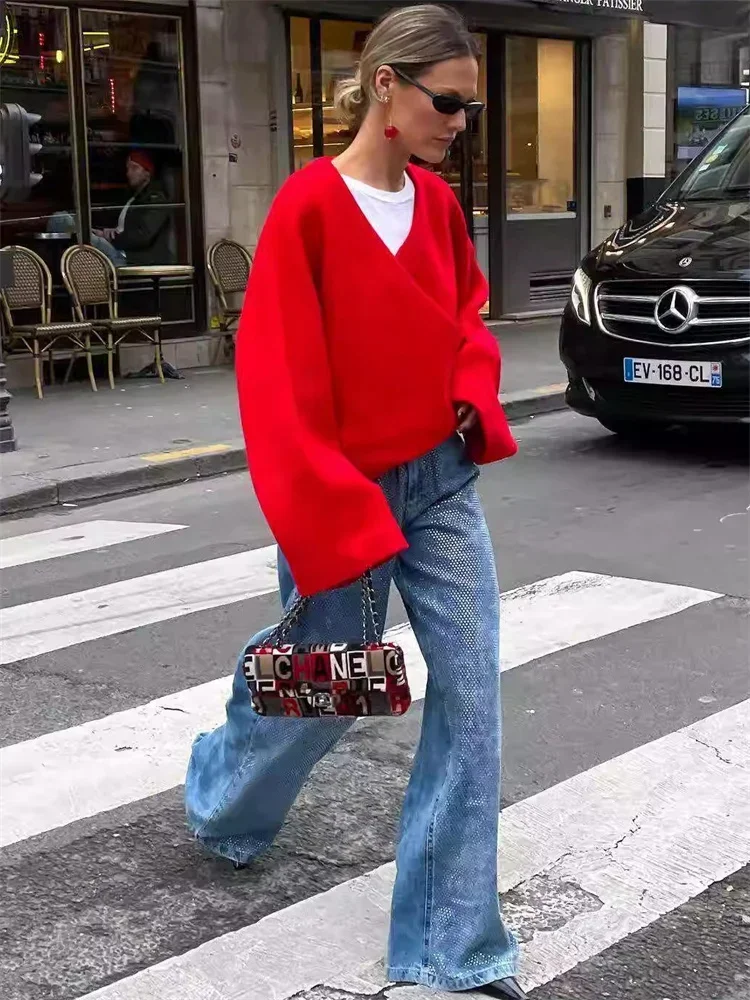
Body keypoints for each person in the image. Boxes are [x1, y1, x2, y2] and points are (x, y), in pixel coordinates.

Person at [184, 5, 525, 996]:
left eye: (469, 106)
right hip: (346, 486)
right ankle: (222, 788)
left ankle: (453, 949)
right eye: (447, 101)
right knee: (336, 687)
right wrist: (339, 504)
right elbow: (279, 381)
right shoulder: (307, 209)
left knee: (472, 691)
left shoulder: (440, 207)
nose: (460, 122)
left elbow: (467, 314)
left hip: (441, 481)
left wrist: (470, 394)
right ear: (387, 85)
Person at [93, 151, 171, 266]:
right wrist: (108, 231)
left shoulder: (157, 199)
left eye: (134, 168)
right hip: (125, 252)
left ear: (147, 173)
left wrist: (113, 238)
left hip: (142, 258)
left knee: (94, 244)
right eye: (128, 169)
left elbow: (143, 235)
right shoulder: (131, 197)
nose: (129, 173)